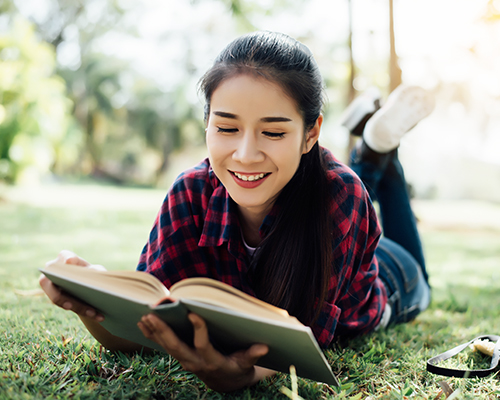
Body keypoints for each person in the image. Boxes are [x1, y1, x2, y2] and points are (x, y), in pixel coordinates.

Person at [40, 31, 433, 392]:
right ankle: (374, 148)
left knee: (408, 256)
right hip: (333, 208)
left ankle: (378, 151)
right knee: (340, 180)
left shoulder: (342, 197)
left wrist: (244, 375)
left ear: (311, 133)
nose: (245, 155)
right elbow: (146, 328)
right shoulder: (190, 193)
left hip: (391, 280)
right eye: (227, 128)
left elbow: (300, 342)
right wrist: (90, 302)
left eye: (274, 132)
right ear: (207, 123)